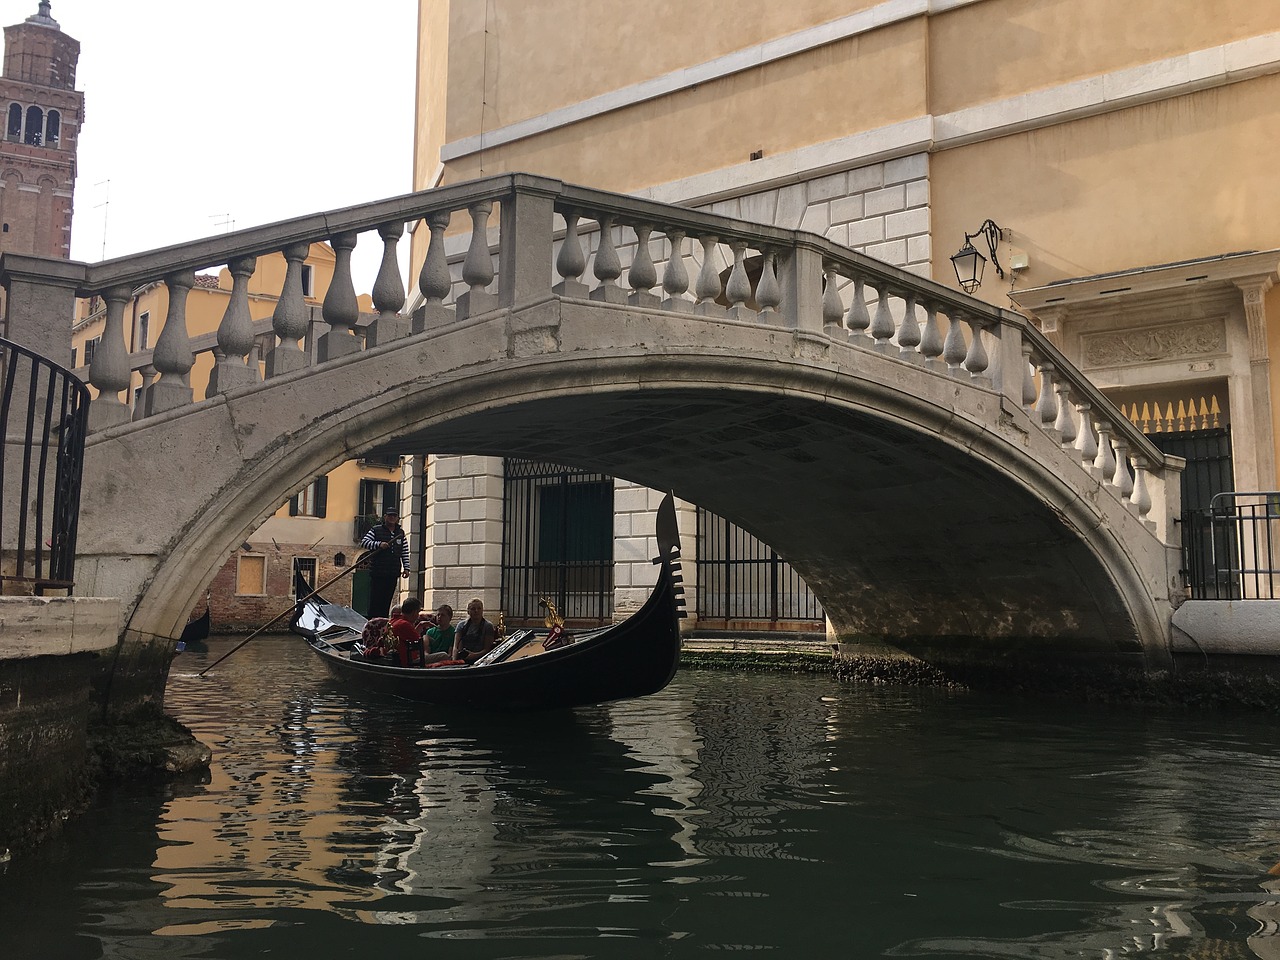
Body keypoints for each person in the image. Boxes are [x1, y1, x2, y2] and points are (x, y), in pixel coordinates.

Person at [361, 507, 409, 619]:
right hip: (378, 572)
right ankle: (373, 623)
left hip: (392, 572)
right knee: (375, 601)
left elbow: (404, 551)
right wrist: (379, 544)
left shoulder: (400, 533)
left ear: (397, 518)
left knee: (386, 601)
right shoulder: (376, 530)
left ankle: (383, 624)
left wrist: (406, 568)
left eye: (394, 516)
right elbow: (364, 543)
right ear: (385, 517)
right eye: (390, 515)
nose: (392, 518)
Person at [452, 597, 497, 665]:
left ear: (482, 610)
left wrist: (473, 655)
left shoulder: (488, 626)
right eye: (473, 609)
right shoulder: (461, 625)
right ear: (468, 611)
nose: (476, 611)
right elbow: (455, 647)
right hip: (462, 660)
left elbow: (487, 650)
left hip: (480, 661)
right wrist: (454, 662)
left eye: (479, 608)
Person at [387, 597, 427, 668]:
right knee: (443, 655)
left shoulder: (392, 621)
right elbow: (419, 644)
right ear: (414, 612)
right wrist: (427, 638)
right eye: (418, 612)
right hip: (409, 661)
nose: (418, 615)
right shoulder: (404, 624)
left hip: (394, 660)